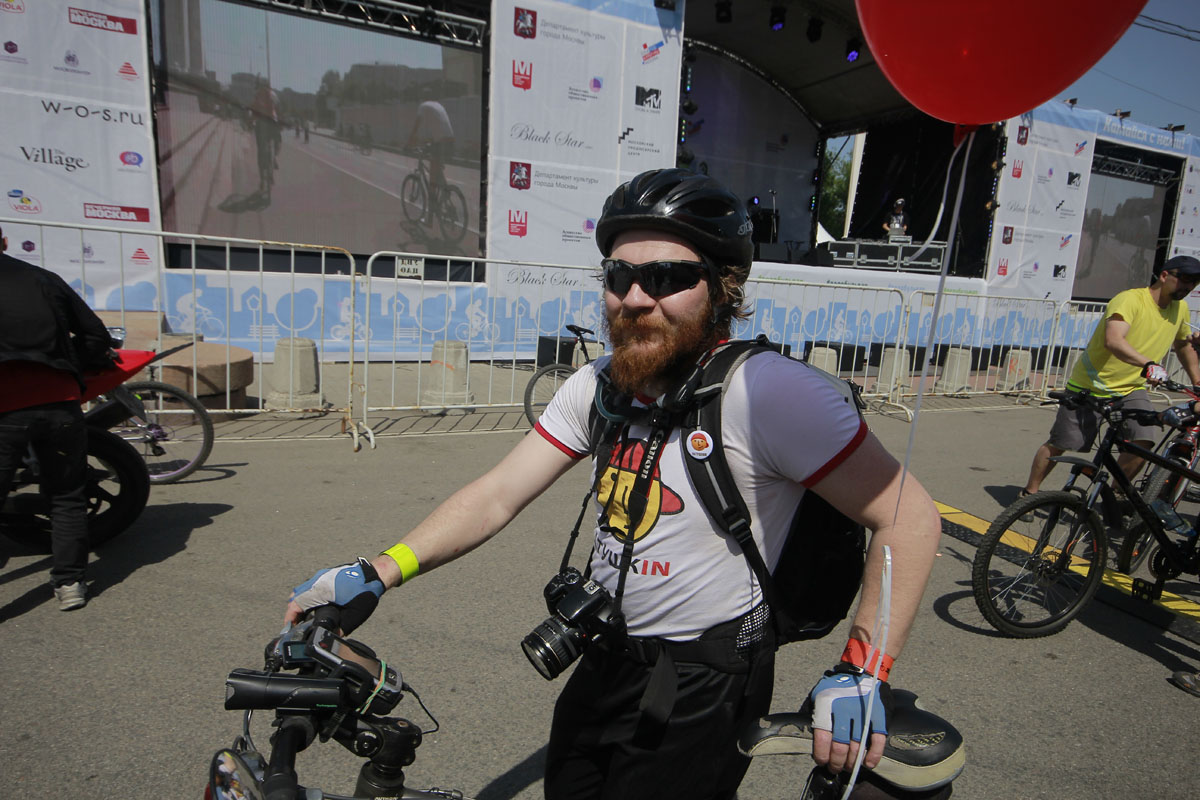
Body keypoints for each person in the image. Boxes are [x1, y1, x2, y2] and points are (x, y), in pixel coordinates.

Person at [284, 169, 942, 799]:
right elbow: (496, 495)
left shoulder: (769, 393)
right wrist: (379, 569)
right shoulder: (600, 385)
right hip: (604, 658)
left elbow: (908, 518)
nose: (633, 297)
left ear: (724, 286)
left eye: (663, 277)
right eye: (619, 276)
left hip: (703, 683)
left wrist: (863, 671)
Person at [0, 227, 113, 610]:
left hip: (5, 408)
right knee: (66, 496)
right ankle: (70, 585)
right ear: (3, 241)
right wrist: (69, 368)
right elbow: (95, 336)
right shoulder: (43, 279)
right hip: (59, 402)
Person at [1021, 255, 1200, 497]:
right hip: (1091, 384)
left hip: (1130, 388)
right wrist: (1147, 363)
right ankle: (1030, 493)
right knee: (1061, 444)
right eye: (1185, 279)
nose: (1188, 287)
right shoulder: (1130, 300)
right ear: (1165, 275)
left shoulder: (1181, 309)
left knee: (1144, 441)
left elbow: (1182, 345)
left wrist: (1197, 381)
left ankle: (1113, 495)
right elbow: (1113, 340)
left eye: (1194, 282)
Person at [406, 89, 455, 206]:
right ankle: (445, 189)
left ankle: (432, 204)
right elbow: (439, 129)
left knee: (433, 171)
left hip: (441, 142)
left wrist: (408, 144)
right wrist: (428, 142)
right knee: (436, 166)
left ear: (423, 97)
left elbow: (416, 127)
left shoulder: (423, 106)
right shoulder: (438, 106)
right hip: (450, 140)